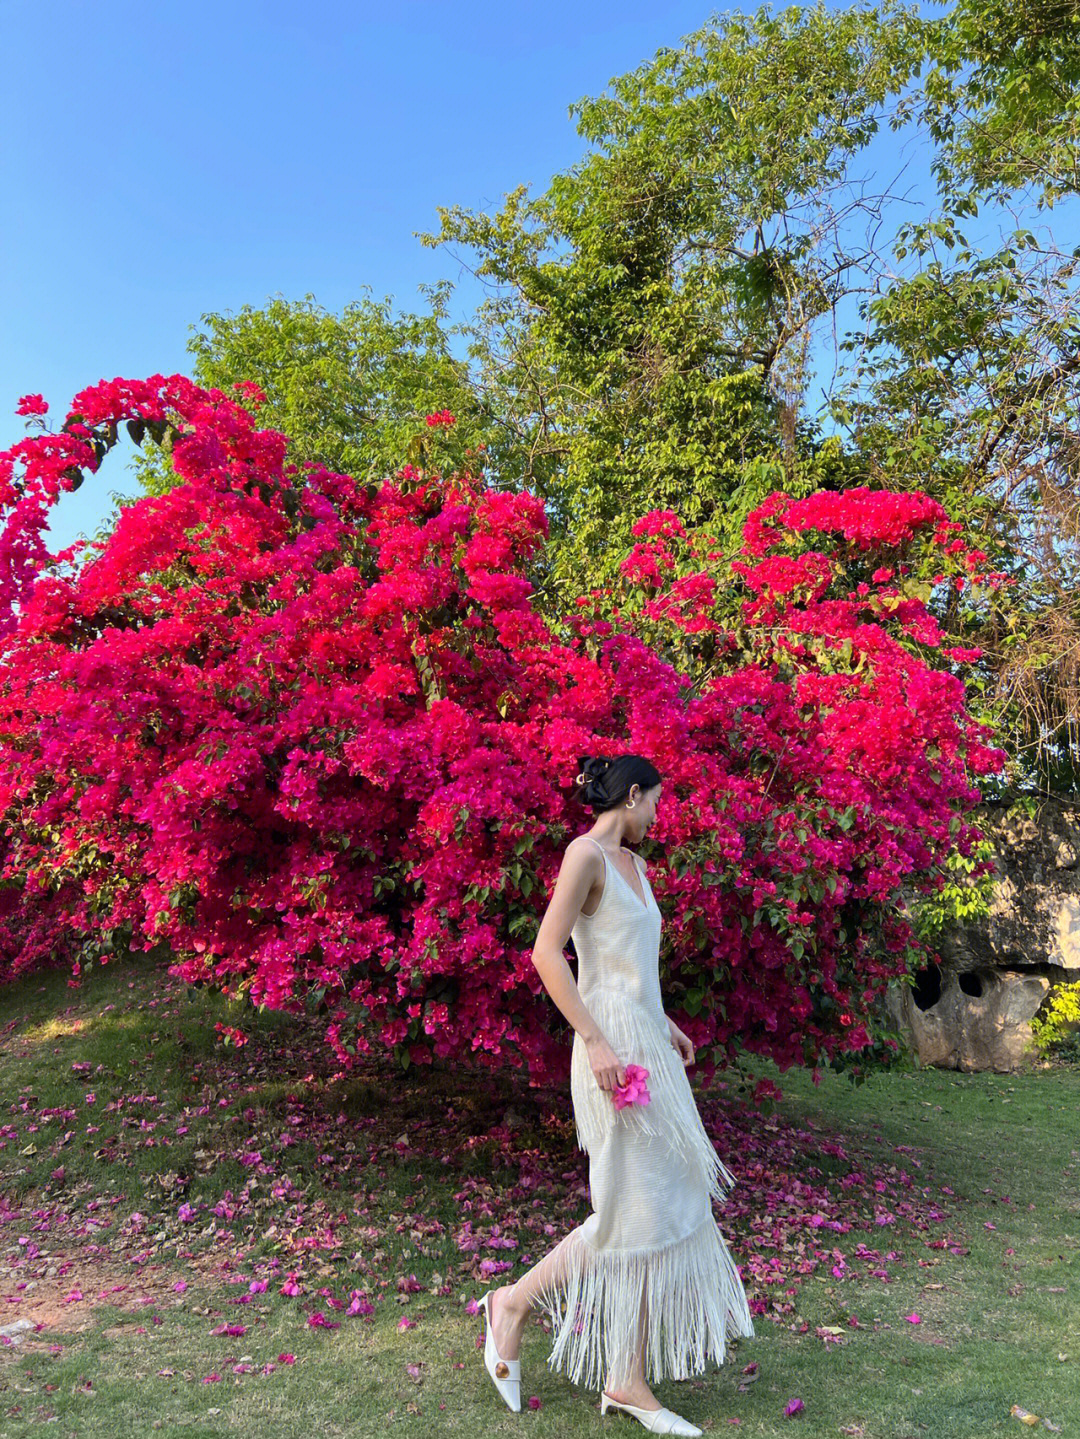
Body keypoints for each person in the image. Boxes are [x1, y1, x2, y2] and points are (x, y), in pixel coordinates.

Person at [478, 754, 755, 1436]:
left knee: (655, 1208)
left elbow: (624, 967)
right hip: (608, 1054)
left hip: (646, 1047)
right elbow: (549, 953)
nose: (658, 814)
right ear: (631, 796)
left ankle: (624, 1376)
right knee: (627, 1212)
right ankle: (512, 1305)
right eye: (655, 800)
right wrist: (597, 1041)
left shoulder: (637, 866)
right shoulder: (586, 855)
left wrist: (664, 1023)